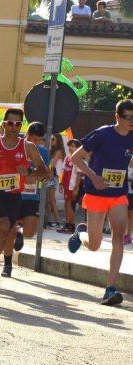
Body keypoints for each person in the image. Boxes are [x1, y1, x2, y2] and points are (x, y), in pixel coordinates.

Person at [67, 99, 133, 306]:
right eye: (128, 117)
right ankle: (81, 233)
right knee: (94, 245)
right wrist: (94, 176)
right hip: (96, 194)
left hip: (119, 195)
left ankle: (110, 289)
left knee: (118, 239)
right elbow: (75, 158)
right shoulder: (102, 134)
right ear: (117, 117)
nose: (132, 121)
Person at [0, 108, 47, 288]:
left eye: (18, 124)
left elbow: (45, 172)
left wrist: (31, 171)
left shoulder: (28, 147)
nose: (14, 127)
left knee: (5, 230)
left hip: (14, 195)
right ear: (3, 125)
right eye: (10, 123)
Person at [1, 122, 52, 277]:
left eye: (40, 140)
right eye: (34, 139)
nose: (36, 143)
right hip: (14, 194)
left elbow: (47, 175)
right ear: (27, 135)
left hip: (32, 197)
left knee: (30, 231)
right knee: (9, 231)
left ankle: (20, 234)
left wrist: (36, 177)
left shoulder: (42, 152)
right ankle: (8, 264)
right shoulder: (17, 147)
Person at [58, 139, 83, 234]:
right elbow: (63, 172)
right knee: (66, 205)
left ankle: (71, 226)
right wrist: (61, 184)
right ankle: (68, 225)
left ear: (78, 148)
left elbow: (79, 174)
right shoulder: (67, 158)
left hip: (72, 186)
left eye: (73, 146)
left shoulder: (77, 159)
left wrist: (76, 188)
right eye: (70, 146)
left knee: (69, 206)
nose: (71, 148)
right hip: (66, 185)